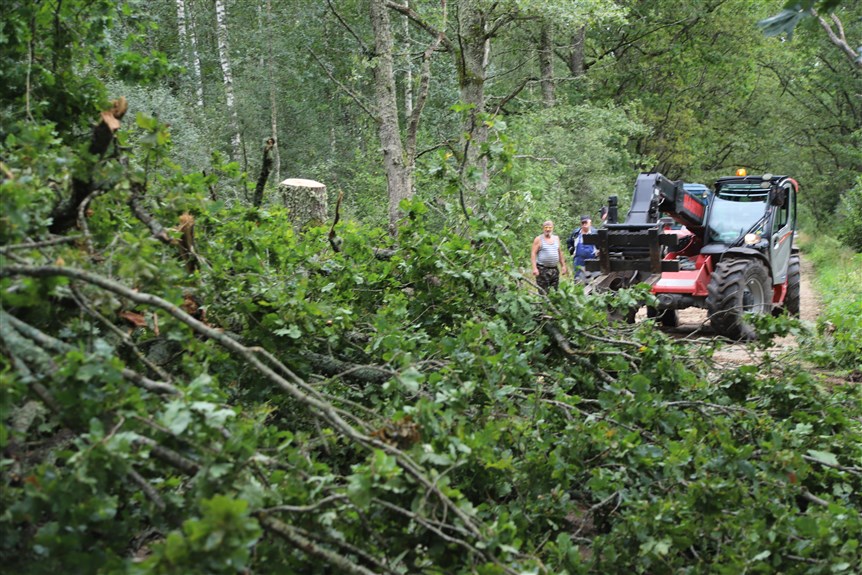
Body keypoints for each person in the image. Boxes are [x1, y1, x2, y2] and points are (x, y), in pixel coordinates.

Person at [531, 220, 568, 293]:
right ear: (543, 228)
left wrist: (563, 266)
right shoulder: (538, 239)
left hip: (554, 270)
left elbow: (560, 252)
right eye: (546, 227)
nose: (548, 229)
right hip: (542, 270)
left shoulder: (556, 238)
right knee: (544, 292)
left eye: (549, 227)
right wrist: (534, 268)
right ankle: (543, 303)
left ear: (552, 228)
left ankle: (552, 304)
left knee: (554, 292)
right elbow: (533, 253)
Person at [567, 215, 598, 283]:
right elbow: (569, 243)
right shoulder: (576, 233)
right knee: (578, 280)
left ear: (590, 223)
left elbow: (601, 246)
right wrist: (571, 251)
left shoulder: (595, 233)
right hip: (578, 261)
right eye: (582, 223)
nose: (584, 225)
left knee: (592, 281)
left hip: (592, 261)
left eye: (586, 222)